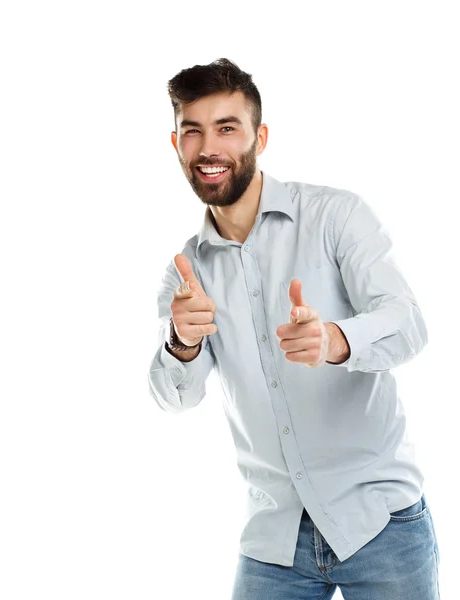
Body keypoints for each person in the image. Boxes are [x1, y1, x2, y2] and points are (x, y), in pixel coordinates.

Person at [148, 58, 441, 599]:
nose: (209, 147)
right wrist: (181, 343)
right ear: (176, 145)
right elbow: (172, 399)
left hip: (379, 522)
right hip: (273, 538)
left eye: (227, 128)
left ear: (259, 136)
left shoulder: (336, 217)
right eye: (194, 131)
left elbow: (409, 321)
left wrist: (335, 340)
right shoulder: (185, 274)